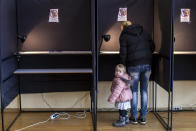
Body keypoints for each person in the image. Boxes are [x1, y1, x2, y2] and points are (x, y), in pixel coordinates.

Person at [119, 21, 155, 125]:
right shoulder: (144, 31)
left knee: (134, 91)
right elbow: (153, 47)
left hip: (133, 65)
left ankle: (134, 117)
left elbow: (123, 54)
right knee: (144, 90)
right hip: (147, 64)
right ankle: (143, 117)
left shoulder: (124, 35)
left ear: (123, 28)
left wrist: (123, 67)